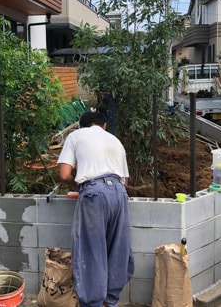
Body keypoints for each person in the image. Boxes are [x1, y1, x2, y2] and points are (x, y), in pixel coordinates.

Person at [57, 111, 134, 307]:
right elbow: (124, 181)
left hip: (94, 195)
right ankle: (110, 301)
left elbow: (64, 174)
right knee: (118, 247)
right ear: (104, 125)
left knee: (90, 249)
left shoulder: (75, 136)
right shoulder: (115, 141)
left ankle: (93, 303)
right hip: (119, 194)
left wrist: (83, 185)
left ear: (81, 126)